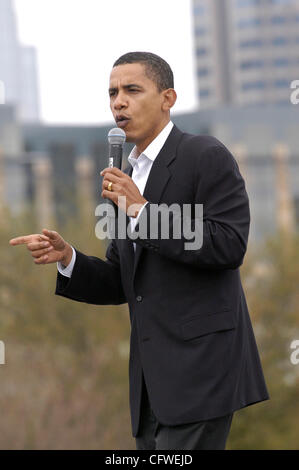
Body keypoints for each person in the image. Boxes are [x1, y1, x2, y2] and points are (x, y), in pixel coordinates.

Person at [9, 51, 269, 450]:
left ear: (168, 98)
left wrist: (143, 211)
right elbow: (120, 280)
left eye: (132, 89)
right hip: (150, 385)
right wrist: (69, 258)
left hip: (202, 371)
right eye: (112, 92)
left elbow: (228, 244)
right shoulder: (125, 177)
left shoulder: (205, 155)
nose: (118, 101)